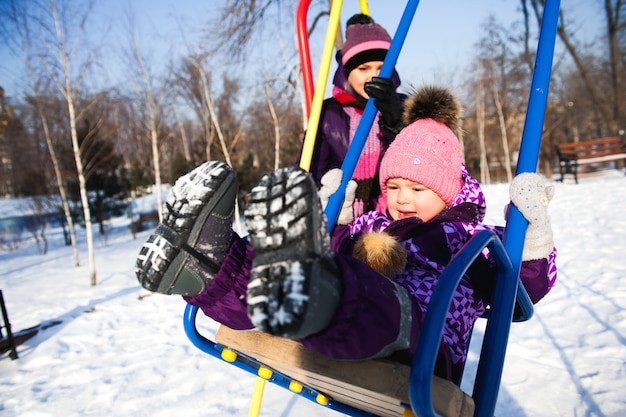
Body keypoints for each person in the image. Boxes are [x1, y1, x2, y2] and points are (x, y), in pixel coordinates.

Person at [135, 85, 557, 385]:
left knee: (363, 292)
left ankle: (310, 291)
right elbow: (335, 250)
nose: (402, 199)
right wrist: (336, 223)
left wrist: (533, 239)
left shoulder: (469, 238)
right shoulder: (374, 224)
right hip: (350, 318)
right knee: (306, 269)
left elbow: (522, 285)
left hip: (428, 346)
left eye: (418, 189)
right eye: (393, 186)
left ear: (447, 192)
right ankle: (207, 264)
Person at [300, 13, 406, 218]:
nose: (374, 76)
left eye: (382, 67)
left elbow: (419, 163)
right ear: (347, 72)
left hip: (392, 214)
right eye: (363, 68)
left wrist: (396, 124)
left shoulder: (403, 106)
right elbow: (311, 173)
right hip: (340, 216)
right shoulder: (328, 113)